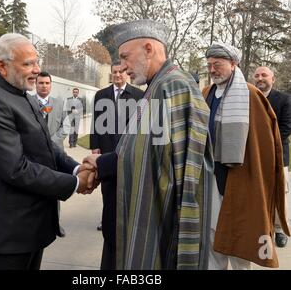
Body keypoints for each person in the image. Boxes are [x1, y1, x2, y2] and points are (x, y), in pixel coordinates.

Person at [84, 19, 214, 270]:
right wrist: (103, 162)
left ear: (148, 48)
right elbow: (144, 149)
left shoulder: (173, 86)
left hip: (163, 219)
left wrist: (101, 163)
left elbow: (168, 162)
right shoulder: (157, 86)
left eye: (124, 57)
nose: (122, 67)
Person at [0, 33, 96, 270]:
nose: (37, 70)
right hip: (8, 232)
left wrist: (77, 167)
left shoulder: (22, 96)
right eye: (28, 63)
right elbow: (15, 169)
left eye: (37, 62)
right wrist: (74, 183)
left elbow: (47, 147)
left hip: (31, 228)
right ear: (2, 67)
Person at [203, 42, 290, 269]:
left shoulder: (251, 95)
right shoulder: (206, 93)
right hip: (211, 176)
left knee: (241, 238)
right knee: (212, 235)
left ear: (233, 64)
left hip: (241, 178)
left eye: (218, 64)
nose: (212, 70)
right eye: (210, 65)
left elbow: (265, 144)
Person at [90, 61, 144, 269]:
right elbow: (96, 123)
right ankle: (108, 220)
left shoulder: (138, 95)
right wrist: (95, 148)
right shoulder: (101, 95)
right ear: (111, 74)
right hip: (106, 151)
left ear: (126, 74)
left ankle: (125, 221)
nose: (118, 75)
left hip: (128, 155)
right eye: (114, 72)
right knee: (108, 190)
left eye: (121, 72)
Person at [253, 66, 291, 248]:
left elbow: (286, 127)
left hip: (278, 155)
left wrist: (265, 144)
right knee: (258, 191)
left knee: (279, 192)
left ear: (273, 79)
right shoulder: (249, 97)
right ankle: (261, 226)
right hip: (253, 155)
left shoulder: (284, 99)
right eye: (257, 75)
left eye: (264, 75)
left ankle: (280, 229)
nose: (260, 78)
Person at [34, 71, 70, 237]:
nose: (44, 86)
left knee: (55, 189)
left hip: (55, 155)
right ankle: (36, 225)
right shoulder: (28, 102)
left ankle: (55, 224)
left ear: (51, 85)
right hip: (34, 155)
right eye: (40, 83)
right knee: (35, 190)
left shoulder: (59, 103)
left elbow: (66, 127)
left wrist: (51, 143)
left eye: (47, 83)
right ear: (36, 84)